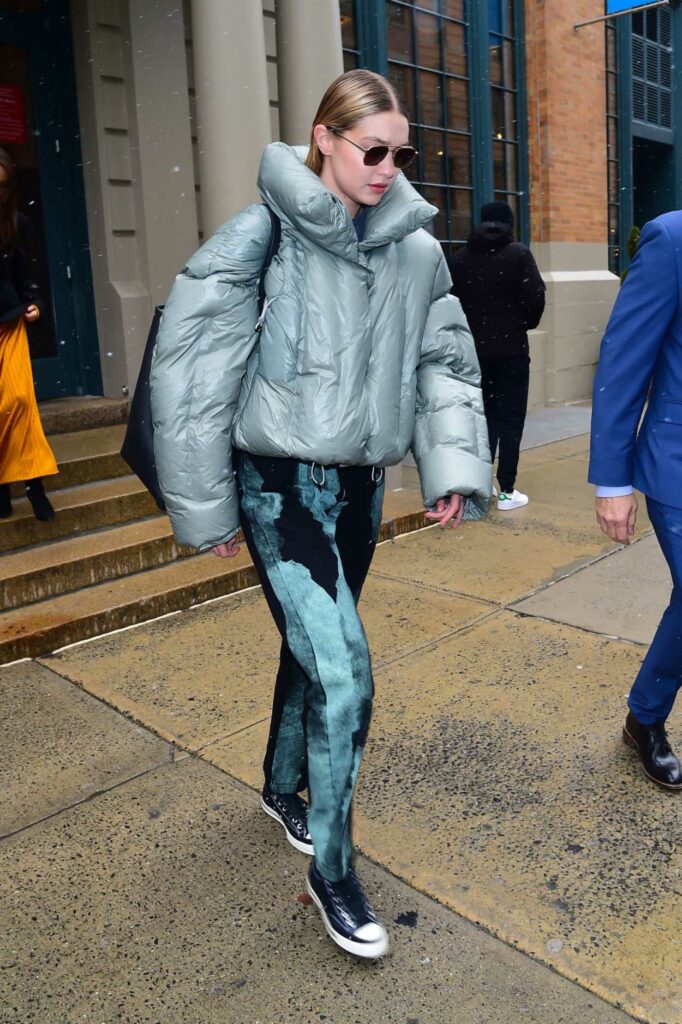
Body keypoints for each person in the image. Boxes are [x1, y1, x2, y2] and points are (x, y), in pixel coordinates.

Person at [151, 70, 491, 958]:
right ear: (325, 139)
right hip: (276, 485)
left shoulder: (418, 252)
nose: (387, 167)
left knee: (316, 648)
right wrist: (208, 511)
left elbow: (444, 365)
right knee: (345, 672)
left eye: (400, 152)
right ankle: (332, 871)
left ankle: (280, 783)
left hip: (360, 492)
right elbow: (191, 378)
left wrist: (451, 469)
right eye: (371, 149)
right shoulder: (261, 236)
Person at [589, 210, 682, 792]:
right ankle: (646, 718)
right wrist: (613, 481)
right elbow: (624, 361)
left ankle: (641, 714)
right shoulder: (672, 239)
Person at [450, 201, 545, 511]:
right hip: (513, 350)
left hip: (475, 352)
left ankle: (482, 482)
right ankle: (507, 490)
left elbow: (449, 303)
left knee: (483, 417)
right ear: (508, 223)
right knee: (512, 419)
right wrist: (520, 323)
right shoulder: (518, 254)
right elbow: (535, 299)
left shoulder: (461, 258)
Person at [0, 148, 57, 521]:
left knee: (18, 402)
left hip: (11, 323)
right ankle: (3, 489)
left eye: (2, 184)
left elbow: (28, 273)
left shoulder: (17, 222)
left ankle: (34, 485)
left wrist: (34, 301)